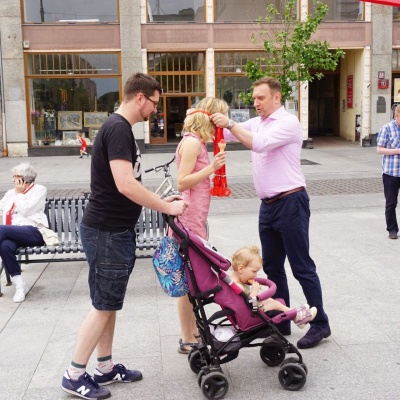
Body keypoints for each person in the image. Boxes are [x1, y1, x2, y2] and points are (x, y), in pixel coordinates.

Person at [61, 72, 188, 400]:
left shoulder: (118, 129)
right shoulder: (118, 129)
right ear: (140, 98)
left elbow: (128, 183)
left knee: (109, 301)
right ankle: (74, 374)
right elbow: (125, 184)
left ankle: (104, 367)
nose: (154, 112)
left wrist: (162, 201)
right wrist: (166, 207)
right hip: (107, 231)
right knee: (103, 304)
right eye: (154, 104)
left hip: (111, 229)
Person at [211, 76, 331, 349]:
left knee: (302, 267)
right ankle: (281, 320)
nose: (256, 103)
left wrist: (229, 123)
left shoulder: (288, 123)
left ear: (276, 97)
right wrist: (206, 118)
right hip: (268, 206)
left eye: (260, 98)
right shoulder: (258, 123)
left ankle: (321, 324)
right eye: (254, 98)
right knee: (273, 267)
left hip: (291, 203)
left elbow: (259, 144)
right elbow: (229, 133)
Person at [175, 97, 228, 354]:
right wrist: (212, 169)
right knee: (188, 284)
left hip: (194, 221)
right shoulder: (193, 143)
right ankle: (187, 337)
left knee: (193, 283)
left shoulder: (197, 142)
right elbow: (182, 182)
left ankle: (194, 331)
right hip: (187, 222)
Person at [230, 246, 317, 328]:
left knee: (268, 299)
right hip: (250, 315)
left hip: (250, 310)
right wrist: (254, 291)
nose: (255, 275)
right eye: (254, 271)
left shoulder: (231, 280)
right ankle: (297, 316)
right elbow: (248, 304)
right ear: (241, 269)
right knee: (275, 304)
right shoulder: (238, 286)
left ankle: (296, 314)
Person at [0, 162, 47, 303]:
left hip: (33, 232)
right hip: (11, 233)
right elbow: (1, 208)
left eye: (17, 176)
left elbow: (27, 210)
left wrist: (19, 194)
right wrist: (15, 193)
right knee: (5, 247)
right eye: (13, 176)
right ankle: (20, 285)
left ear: (26, 178)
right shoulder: (10, 193)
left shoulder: (39, 190)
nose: (14, 179)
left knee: (1, 230)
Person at [377, 104, 400, 239]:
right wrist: (397, 151)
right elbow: (379, 149)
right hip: (391, 172)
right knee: (391, 202)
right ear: (395, 116)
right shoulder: (386, 129)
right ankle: (392, 229)